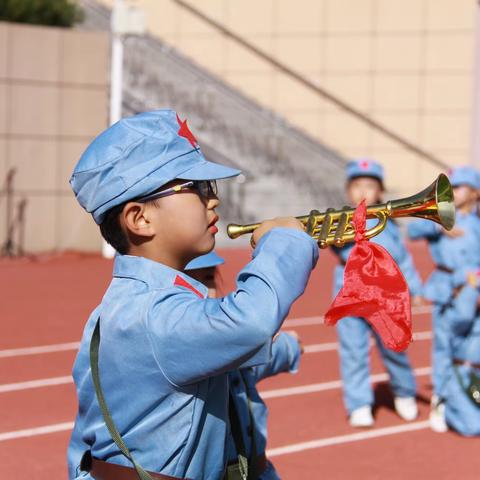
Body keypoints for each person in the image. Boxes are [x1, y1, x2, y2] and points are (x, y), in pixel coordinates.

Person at [67, 110, 319, 479]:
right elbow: (249, 323)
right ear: (140, 219)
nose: (212, 201)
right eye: (197, 189)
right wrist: (284, 242)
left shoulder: (149, 303)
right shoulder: (149, 313)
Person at [185, 252, 303, 480]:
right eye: (191, 281)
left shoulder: (231, 343)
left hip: (259, 472)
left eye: (208, 278)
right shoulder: (187, 346)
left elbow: (252, 362)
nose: (204, 290)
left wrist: (290, 347)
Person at [333, 159, 423, 428]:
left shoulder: (390, 226)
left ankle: (404, 392)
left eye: (370, 186)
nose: (363, 191)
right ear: (348, 191)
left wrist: (415, 290)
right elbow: (331, 246)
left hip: (385, 297)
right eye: (357, 185)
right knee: (353, 352)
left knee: (395, 349)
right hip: (349, 296)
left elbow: (404, 260)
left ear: (380, 192)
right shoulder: (340, 222)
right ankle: (359, 403)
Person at [408, 166, 480, 432]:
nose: (453, 193)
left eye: (458, 187)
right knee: (443, 345)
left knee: (472, 346)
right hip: (446, 289)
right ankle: (442, 398)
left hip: (473, 290)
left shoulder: (477, 223)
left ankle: (468, 394)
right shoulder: (439, 219)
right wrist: (439, 226)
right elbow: (412, 231)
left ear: (474, 193)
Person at [442, 265, 480, 436]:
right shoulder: (454, 315)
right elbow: (464, 315)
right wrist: (471, 289)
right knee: (474, 428)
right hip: (463, 377)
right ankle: (446, 409)